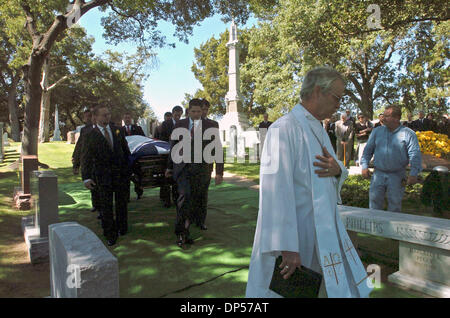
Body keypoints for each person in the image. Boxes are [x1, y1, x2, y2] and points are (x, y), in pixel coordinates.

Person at [246, 67, 372, 298]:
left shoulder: (318, 127)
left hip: (321, 228)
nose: (339, 104)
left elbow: (331, 169)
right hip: (295, 233)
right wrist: (287, 246)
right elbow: (275, 191)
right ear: (317, 91)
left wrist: (337, 171)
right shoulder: (283, 129)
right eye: (337, 97)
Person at [165, 98, 222, 248]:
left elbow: (217, 148)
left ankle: (189, 227)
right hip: (183, 169)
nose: (197, 114)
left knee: (196, 200)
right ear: (188, 111)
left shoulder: (211, 126)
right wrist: (169, 167)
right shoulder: (179, 125)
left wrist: (219, 172)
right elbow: (173, 146)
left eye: (199, 111)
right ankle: (181, 233)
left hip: (201, 170)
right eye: (194, 111)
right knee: (184, 198)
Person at [82, 104, 131, 246]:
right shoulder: (90, 135)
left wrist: (128, 169)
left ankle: (122, 227)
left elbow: (125, 151)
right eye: (104, 115)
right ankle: (110, 233)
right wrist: (86, 177)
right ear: (95, 117)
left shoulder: (118, 130)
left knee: (121, 203)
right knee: (106, 206)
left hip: (120, 175)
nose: (107, 117)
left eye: (108, 114)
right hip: (102, 177)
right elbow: (85, 157)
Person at [361, 105, 422, 212]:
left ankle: (392, 228)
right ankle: (375, 227)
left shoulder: (408, 134)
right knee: (374, 205)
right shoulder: (377, 131)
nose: (383, 118)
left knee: (395, 206)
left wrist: (413, 173)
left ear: (396, 118)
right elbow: (367, 151)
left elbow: (415, 154)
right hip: (378, 175)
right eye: (383, 115)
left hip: (397, 176)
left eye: (386, 116)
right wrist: (364, 166)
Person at [198, 98, 224, 230]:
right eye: (202, 109)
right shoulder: (187, 124)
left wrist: (219, 171)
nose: (204, 112)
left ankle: (201, 220)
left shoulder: (213, 124)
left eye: (206, 109)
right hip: (188, 166)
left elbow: (217, 147)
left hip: (205, 166)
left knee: (203, 194)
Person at [72, 107, 100, 214]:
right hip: (91, 163)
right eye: (87, 116)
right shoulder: (85, 130)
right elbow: (80, 147)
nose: (89, 118)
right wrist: (76, 164)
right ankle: (96, 205)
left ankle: (102, 208)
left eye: (90, 116)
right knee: (93, 186)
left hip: (102, 163)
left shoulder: (105, 128)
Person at [159, 106, 183, 206]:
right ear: (172, 113)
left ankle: (176, 198)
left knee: (176, 178)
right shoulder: (165, 124)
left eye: (179, 115)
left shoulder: (183, 124)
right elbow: (161, 137)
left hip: (178, 154)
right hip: (167, 154)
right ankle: (166, 200)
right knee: (166, 178)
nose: (177, 117)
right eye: (176, 115)